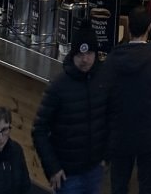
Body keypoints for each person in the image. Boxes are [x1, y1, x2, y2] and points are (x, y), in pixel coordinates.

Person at [32, 22, 109, 193]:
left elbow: (110, 118)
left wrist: (106, 155)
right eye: (80, 54)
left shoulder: (102, 81)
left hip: (94, 170)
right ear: (73, 54)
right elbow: (39, 129)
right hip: (67, 175)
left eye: (89, 53)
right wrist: (52, 168)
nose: (85, 59)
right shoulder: (58, 86)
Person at [103, 6, 151, 194]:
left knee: (119, 186)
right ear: (149, 28)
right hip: (148, 134)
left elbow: (104, 92)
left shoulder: (112, 59)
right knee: (148, 186)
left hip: (119, 133)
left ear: (128, 28)